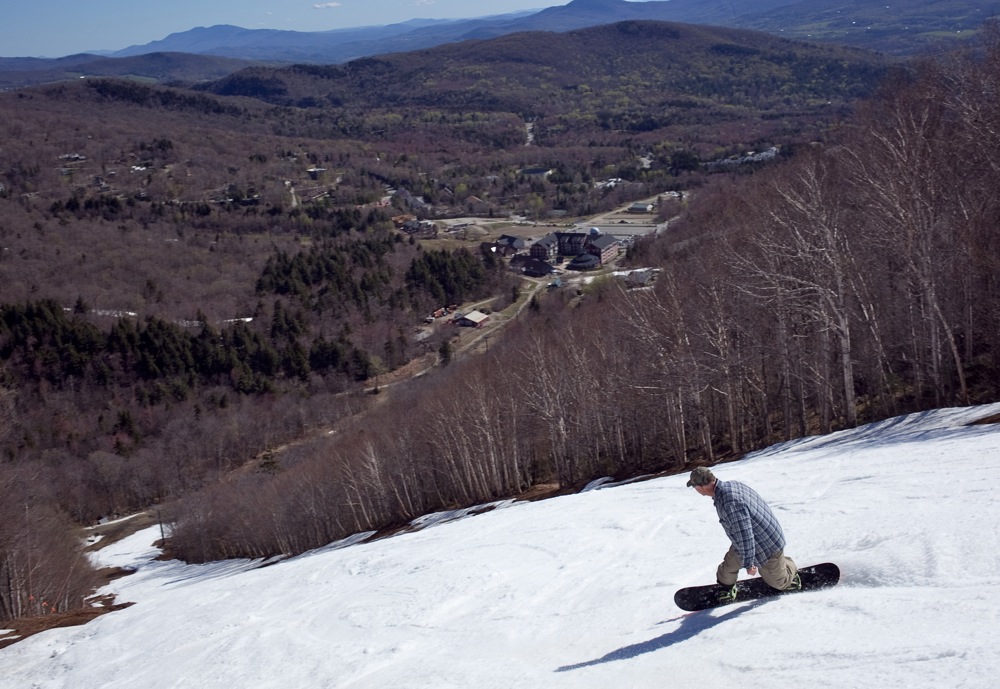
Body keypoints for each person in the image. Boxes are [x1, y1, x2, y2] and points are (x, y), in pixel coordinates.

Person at [686, 466, 800, 601]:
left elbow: (746, 535)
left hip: (768, 545)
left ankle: (788, 569)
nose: (696, 490)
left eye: (695, 487)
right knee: (728, 568)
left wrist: (749, 563)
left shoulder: (730, 502)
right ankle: (727, 587)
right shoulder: (729, 486)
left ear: (701, 487)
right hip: (747, 541)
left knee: (779, 583)